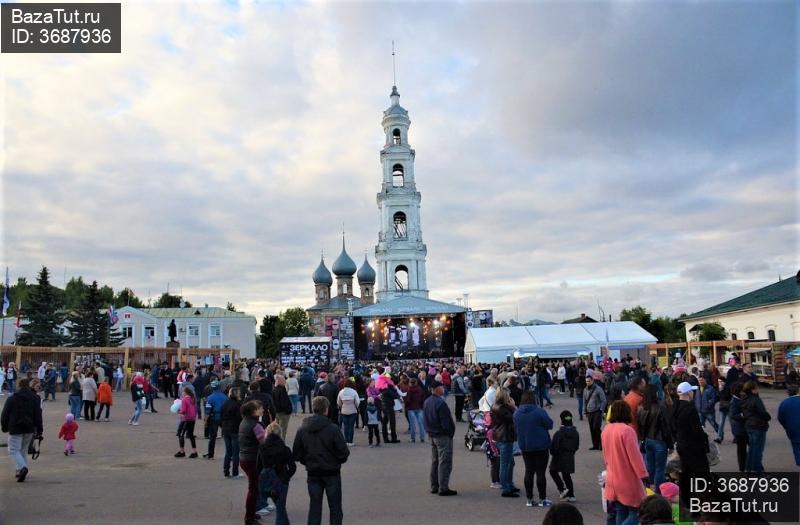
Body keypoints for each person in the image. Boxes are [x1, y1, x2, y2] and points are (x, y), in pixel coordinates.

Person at [293, 396, 350, 525]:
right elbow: (344, 452)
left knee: (315, 507)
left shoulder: (303, 429)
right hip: (331, 472)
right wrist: (337, 461)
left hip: (313, 471)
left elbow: (296, 453)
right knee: (335, 507)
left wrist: (307, 461)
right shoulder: (333, 428)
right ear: (326, 409)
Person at [602, 401, 648, 525]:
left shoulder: (606, 429)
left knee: (620, 511)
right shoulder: (627, 430)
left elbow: (605, 456)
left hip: (612, 477)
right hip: (627, 479)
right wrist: (643, 474)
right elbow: (635, 457)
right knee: (637, 512)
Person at [515, 390, 553, 507]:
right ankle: (542, 498)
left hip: (525, 445)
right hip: (541, 445)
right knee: (541, 472)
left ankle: (529, 498)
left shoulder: (517, 413)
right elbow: (549, 424)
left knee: (529, 471)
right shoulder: (539, 411)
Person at [1, 378, 43, 482]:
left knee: (13, 450)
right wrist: (39, 429)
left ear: (19, 386)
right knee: (23, 450)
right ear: (29, 386)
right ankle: (19, 470)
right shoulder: (34, 398)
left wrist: (5, 426)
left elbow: (5, 414)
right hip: (29, 428)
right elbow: (38, 415)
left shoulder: (12, 398)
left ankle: (22, 467)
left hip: (15, 427)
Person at [259, 421, 297, 525]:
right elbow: (293, 467)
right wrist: (287, 477)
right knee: (281, 507)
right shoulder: (285, 449)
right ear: (279, 433)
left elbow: (259, 465)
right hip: (281, 478)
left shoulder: (262, 448)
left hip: (267, 479)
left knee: (279, 507)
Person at [423, 379, 457, 496]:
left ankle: (434, 485)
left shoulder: (427, 401)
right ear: (436, 389)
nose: (443, 389)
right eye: (441, 387)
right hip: (442, 436)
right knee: (445, 462)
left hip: (432, 434)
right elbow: (446, 422)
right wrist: (450, 433)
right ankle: (443, 487)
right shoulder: (440, 403)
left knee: (435, 461)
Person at [637, 384, 673, 493]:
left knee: (650, 466)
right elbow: (666, 428)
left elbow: (640, 425)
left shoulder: (641, 407)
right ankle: (658, 491)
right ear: (655, 393)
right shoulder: (661, 407)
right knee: (660, 468)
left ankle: (649, 489)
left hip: (647, 440)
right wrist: (670, 444)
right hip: (659, 441)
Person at [239, 400, 268, 525]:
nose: (262, 410)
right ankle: (249, 518)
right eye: (260, 408)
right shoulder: (256, 425)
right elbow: (264, 441)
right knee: (253, 489)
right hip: (252, 459)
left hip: (245, 457)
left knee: (253, 488)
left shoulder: (245, 422)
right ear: (254, 411)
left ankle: (251, 513)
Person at [673, 382, 709, 478]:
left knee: (686, 470)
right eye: (692, 391)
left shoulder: (674, 407)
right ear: (688, 393)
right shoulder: (690, 409)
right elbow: (696, 430)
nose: (693, 393)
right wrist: (704, 440)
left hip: (681, 444)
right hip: (693, 447)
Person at [491, 387, 518, 498]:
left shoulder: (497, 406)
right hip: (504, 437)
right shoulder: (502, 408)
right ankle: (506, 488)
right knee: (505, 464)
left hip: (500, 436)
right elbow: (514, 418)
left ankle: (509, 484)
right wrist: (514, 407)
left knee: (509, 463)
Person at [740, 380, 769, 472]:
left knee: (752, 448)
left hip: (749, 425)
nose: (758, 389)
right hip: (758, 425)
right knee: (758, 450)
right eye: (756, 388)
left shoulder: (744, 399)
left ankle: (749, 468)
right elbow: (762, 412)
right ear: (753, 390)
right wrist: (768, 417)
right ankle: (757, 470)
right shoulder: (756, 399)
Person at [550, 410, 579, 503]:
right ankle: (571, 494)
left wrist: (553, 453)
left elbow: (554, 446)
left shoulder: (559, 433)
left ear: (561, 420)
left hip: (559, 456)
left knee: (552, 471)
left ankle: (562, 489)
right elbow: (576, 446)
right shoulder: (575, 433)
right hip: (570, 456)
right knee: (566, 475)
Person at [221, 387, 243, 478]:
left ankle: (226, 471)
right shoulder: (237, 404)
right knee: (235, 452)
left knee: (228, 452)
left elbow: (221, 415)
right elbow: (239, 418)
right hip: (234, 429)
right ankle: (235, 472)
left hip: (226, 429)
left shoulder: (225, 403)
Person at [204, 380, 228, 459]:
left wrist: (206, 421)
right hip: (224, 418)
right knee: (227, 437)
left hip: (214, 418)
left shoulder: (210, 398)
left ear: (212, 388)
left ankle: (211, 455)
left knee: (212, 437)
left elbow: (207, 411)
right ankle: (229, 454)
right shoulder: (225, 397)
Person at [727, 381, 748, 472]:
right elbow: (733, 414)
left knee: (745, 449)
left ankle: (747, 466)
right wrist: (742, 415)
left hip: (743, 429)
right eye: (742, 391)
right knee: (742, 450)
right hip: (740, 430)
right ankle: (742, 468)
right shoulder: (734, 401)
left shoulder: (739, 399)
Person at [777, 384, 800, 466]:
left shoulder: (784, 403)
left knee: (797, 448)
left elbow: (780, 418)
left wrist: (786, 426)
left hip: (792, 430)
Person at [584, 372, 607, 450]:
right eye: (586, 381)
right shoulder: (585, 389)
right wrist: (585, 411)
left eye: (589, 381)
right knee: (591, 429)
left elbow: (604, 400)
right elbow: (584, 401)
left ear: (592, 380)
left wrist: (601, 410)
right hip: (589, 412)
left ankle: (602, 444)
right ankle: (595, 445)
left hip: (597, 411)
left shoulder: (598, 389)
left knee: (596, 428)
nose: (587, 382)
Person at [175, 387, 199, 458]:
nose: (182, 393)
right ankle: (194, 451)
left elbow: (183, 411)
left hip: (186, 419)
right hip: (192, 419)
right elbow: (196, 409)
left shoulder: (184, 400)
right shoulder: (193, 399)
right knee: (191, 435)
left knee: (181, 434)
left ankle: (182, 451)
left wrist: (178, 411)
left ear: (185, 392)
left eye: (183, 392)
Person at [336, 378, 360, 446]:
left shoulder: (341, 392)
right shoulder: (354, 392)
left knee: (346, 426)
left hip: (344, 411)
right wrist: (356, 407)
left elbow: (338, 402)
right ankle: (351, 441)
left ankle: (346, 441)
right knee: (351, 426)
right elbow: (357, 402)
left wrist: (341, 406)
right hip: (352, 410)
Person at [404, 377, 426, 443]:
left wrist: (407, 405)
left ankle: (413, 438)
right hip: (419, 408)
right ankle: (422, 438)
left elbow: (407, 400)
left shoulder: (409, 390)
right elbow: (423, 398)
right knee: (421, 424)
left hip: (411, 408)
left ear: (410, 383)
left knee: (412, 424)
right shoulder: (420, 389)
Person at [272, 374, 292, 440]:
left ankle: (277, 441)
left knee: (277, 429)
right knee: (283, 429)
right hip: (283, 413)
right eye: (284, 380)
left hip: (277, 412)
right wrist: (288, 410)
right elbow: (284, 402)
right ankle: (281, 443)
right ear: (280, 381)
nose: (285, 382)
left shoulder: (274, 389)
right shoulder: (282, 390)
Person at [714, 378, 730, 444]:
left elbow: (726, 397)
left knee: (732, 423)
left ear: (724, 382)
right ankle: (719, 438)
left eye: (721, 381)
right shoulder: (719, 388)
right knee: (721, 423)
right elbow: (718, 398)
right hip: (722, 408)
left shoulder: (728, 388)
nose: (719, 383)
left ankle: (736, 437)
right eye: (718, 381)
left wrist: (721, 391)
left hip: (729, 407)